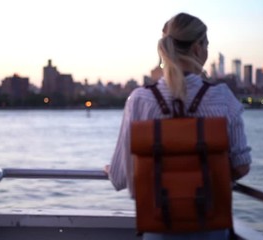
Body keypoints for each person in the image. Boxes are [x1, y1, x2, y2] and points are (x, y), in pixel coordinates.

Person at [105, 12, 252, 240]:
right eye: (206, 45)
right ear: (197, 48)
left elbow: (119, 178)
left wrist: (111, 169)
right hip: (211, 228)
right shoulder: (223, 98)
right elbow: (241, 166)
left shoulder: (139, 100)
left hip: (158, 229)